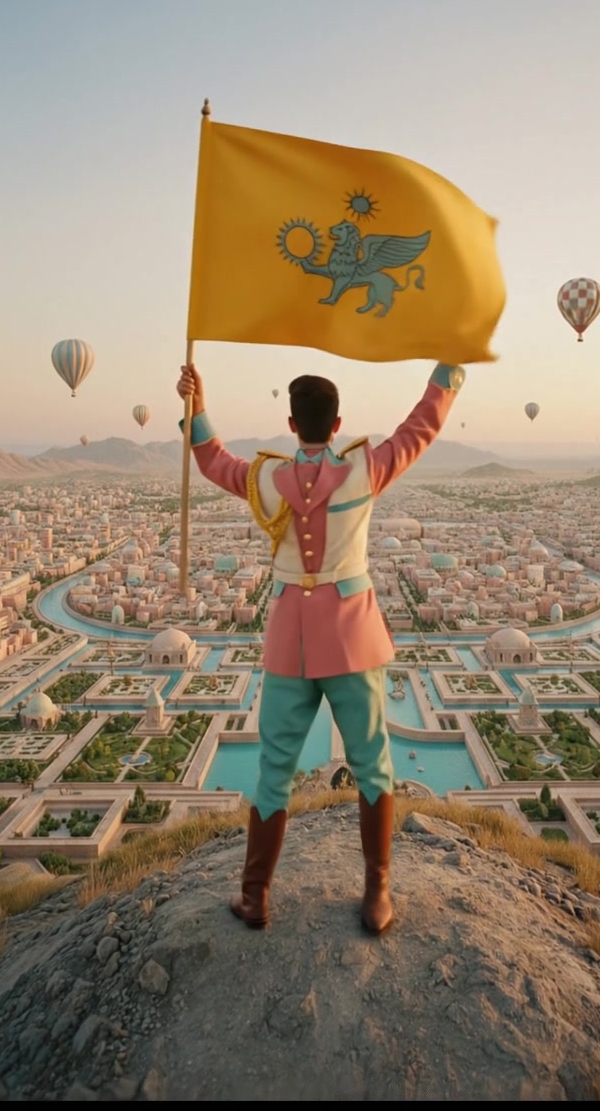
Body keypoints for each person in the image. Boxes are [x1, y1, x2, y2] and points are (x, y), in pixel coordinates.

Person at [176, 361, 465, 934]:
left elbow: (211, 459)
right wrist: (449, 371)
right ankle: (377, 893)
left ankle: (256, 896)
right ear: (338, 424)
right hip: (352, 638)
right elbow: (421, 428)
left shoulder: (265, 478)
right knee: (373, 766)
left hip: (289, 642)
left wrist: (196, 402)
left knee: (273, 770)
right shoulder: (364, 467)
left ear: (291, 423)